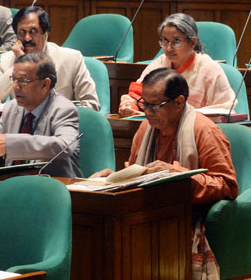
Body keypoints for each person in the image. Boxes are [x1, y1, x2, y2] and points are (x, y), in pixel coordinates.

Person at [92, 68, 238, 278]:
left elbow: (226, 186)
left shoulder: (204, 131)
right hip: (146, 213)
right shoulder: (145, 128)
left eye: (154, 106)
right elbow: (136, 173)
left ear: (179, 102)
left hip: (184, 218)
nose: (147, 112)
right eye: (144, 104)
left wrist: (175, 174)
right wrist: (112, 177)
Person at [0, 51, 82, 177]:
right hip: (12, 185)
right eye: (13, 79)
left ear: (45, 84)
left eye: (23, 81)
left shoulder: (63, 109)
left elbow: (64, 145)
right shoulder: (10, 108)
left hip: (52, 187)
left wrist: (12, 144)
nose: (15, 86)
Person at [119, 13, 235, 117]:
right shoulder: (159, 63)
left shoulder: (209, 69)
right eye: (165, 41)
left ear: (192, 42)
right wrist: (129, 106)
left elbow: (226, 108)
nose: (169, 48)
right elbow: (137, 95)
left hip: (196, 131)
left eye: (176, 41)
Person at [0, 6, 100, 111]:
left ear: (45, 33)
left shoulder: (71, 59)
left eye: (33, 32)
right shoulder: (8, 59)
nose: (27, 38)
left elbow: (92, 104)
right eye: (22, 32)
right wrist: (21, 62)